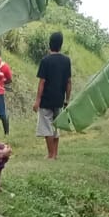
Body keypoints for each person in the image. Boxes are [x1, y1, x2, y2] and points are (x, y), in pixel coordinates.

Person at [35, 31, 75, 160]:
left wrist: (37, 100)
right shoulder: (66, 60)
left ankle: (50, 154)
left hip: (46, 100)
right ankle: (55, 154)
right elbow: (69, 82)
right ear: (61, 45)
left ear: (50, 44)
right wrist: (67, 99)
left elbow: (42, 82)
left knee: (47, 127)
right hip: (59, 99)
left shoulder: (45, 61)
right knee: (56, 127)